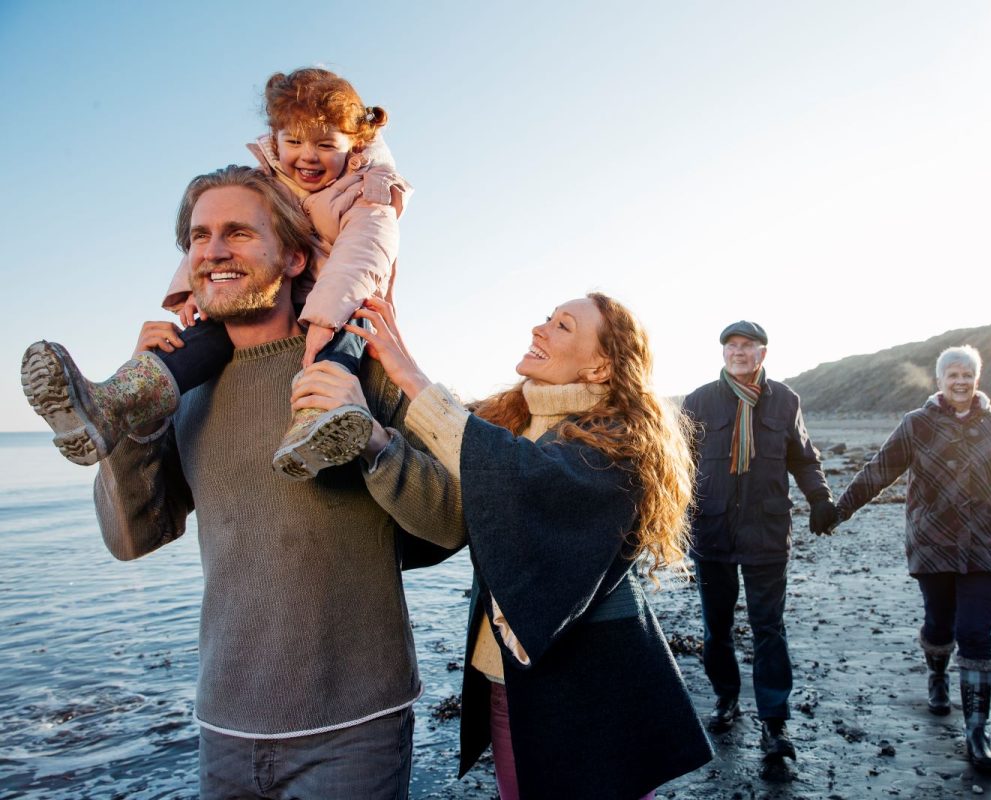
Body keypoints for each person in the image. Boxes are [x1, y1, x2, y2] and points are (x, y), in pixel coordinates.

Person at [29, 165, 462, 798]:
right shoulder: (184, 386)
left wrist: (373, 440)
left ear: (293, 257)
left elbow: (451, 524)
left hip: (354, 728)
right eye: (199, 237)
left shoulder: (360, 367)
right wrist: (137, 416)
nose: (213, 251)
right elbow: (131, 538)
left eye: (238, 232)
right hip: (224, 724)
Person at [337, 293, 714, 799]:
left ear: (600, 367)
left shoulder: (622, 441)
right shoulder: (505, 418)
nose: (540, 329)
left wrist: (411, 374)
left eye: (563, 326)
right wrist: (371, 420)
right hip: (504, 676)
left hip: (597, 685)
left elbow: (526, 476)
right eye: (547, 318)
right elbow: (448, 467)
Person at [21, 67, 411, 480]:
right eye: (294, 141)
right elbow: (213, 238)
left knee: (340, 343)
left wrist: (325, 317)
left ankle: (318, 421)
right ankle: (115, 404)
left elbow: (361, 257)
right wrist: (195, 290)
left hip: (345, 304)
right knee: (205, 335)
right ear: (275, 139)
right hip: (281, 297)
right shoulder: (269, 182)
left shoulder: (370, 191)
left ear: (355, 144)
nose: (308, 156)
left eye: (326, 144)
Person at [833, 345, 991, 774]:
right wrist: (839, 511)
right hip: (933, 544)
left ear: (977, 379)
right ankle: (937, 673)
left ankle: (976, 732)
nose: (960, 381)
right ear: (939, 381)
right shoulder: (916, 424)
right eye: (953, 374)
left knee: (976, 634)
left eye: (967, 374)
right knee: (939, 624)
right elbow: (879, 471)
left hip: (987, 546)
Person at [682, 320, 838, 761]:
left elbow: (803, 459)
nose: (738, 352)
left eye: (747, 346)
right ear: (723, 353)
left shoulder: (785, 400)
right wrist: (671, 519)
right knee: (716, 627)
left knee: (769, 628)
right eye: (731, 345)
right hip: (712, 530)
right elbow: (677, 464)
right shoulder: (699, 401)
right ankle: (726, 697)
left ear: (762, 354)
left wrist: (820, 498)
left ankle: (774, 722)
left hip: (766, 531)